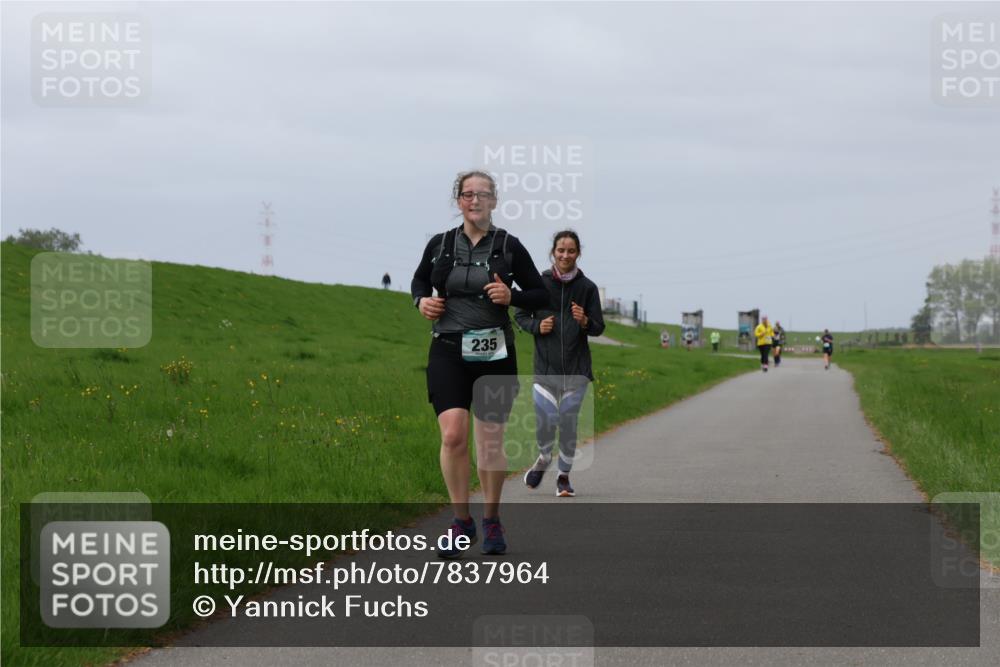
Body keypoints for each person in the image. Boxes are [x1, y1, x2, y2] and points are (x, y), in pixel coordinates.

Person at [411, 170, 547, 558]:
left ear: (494, 201)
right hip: (448, 349)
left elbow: (539, 294)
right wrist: (421, 302)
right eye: (468, 194)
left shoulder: (509, 246)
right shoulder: (439, 244)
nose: (475, 200)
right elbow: (419, 282)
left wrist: (512, 295)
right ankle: (460, 522)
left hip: (495, 352)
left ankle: (491, 520)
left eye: (483, 194)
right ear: (459, 202)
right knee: (453, 434)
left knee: (489, 441)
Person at [514, 230, 604, 498]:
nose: (565, 255)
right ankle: (543, 458)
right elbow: (520, 315)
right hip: (545, 369)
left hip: (577, 370)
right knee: (546, 420)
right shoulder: (538, 284)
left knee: (567, 422)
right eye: (561, 250)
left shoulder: (587, 288)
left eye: (571, 251)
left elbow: (599, 327)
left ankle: (563, 476)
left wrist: (585, 321)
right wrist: (537, 326)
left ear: (578, 253)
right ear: (553, 252)